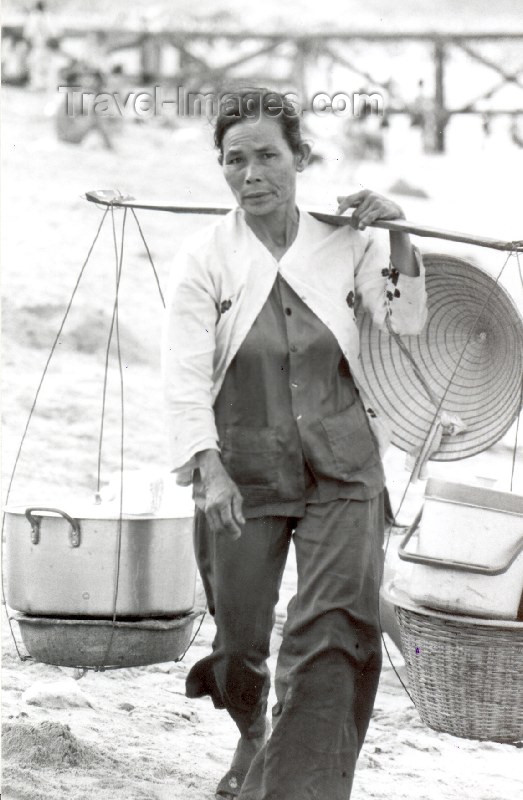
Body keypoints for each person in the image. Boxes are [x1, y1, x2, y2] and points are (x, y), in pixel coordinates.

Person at [162, 88, 427, 800]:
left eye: (267, 157)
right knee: (240, 642)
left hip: (344, 465)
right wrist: (207, 468)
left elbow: (403, 321)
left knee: (333, 630)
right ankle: (253, 733)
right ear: (219, 167)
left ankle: (293, 788)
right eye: (234, 160)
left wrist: (398, 232)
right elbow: (183, 375)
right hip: (241, 472)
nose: (251, 175)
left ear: (300, 159)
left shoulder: (346, 241)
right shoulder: (205, 257)